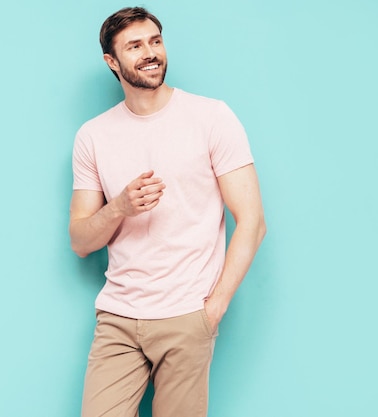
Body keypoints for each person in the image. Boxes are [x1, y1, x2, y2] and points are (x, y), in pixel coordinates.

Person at [69, 6, 267, 417]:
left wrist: (213, 309)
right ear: (112, 61)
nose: (150, 53)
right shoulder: (93, 136)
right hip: (119, 318)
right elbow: (80, 241)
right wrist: (120, 206)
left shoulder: (212, 117)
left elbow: (253, 221)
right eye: (135, 45)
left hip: (187, 315)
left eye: (155, 41)